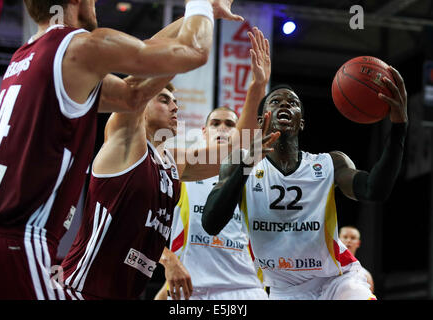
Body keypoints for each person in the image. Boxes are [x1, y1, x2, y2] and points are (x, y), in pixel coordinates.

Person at [0, 0, 241, 300]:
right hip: (23, 242)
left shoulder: (29, 56)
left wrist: (199, 12)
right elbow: (193, 52)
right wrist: (200, 5)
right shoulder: (81, 47)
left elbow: (132, 94)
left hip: (1, 237)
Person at [60, 26, 276, 300]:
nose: (175, 107)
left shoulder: (173, 163)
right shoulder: (125, 138)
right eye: (164, 99)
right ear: (142, 103)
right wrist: (199, 16)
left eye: (176, 101)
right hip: (83, 289)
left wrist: (257, 86)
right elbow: (146, 59)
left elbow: (236, 148)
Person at [202, 66, 408, 300]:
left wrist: (399, 127)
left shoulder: (330, 164)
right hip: (285, 290)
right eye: (275, 101)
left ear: (301, 122)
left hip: (338, 280)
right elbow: (211, 223)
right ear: (261, 121)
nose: (284, 104)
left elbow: (375, 190)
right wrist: (248, 163)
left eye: (293, 102)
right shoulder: (239, 165)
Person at [153, 107, 268, 301]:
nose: (222, 128)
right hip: (191, 289)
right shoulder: (180, 173)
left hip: (245, 287)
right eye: (215, 124)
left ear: (238, 133)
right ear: (204, 131)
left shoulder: (256, 175)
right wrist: (169, 261)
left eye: (230, 124)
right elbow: (144, 227)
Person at [339, 226, 374, 293]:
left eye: (353, 238)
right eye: (345, 237)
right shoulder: (328, 270)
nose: (348, 240)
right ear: (338, 240)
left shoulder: (366, 275)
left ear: (358, 243)